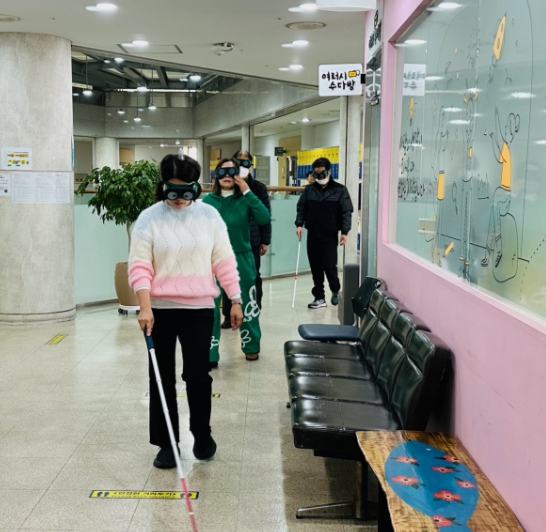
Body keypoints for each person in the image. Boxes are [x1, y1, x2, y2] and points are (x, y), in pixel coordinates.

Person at [128, 154, 243, 468]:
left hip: (199, 308)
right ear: (163, 186)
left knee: (197, 375)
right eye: (173, 190)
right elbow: (139, 266)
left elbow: (223, 260)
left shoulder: (209, 216)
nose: (179, 198)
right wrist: (145, 307)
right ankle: (167, 443)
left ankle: (201, 434)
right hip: (159, 310)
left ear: (196, 187)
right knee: (161, 377)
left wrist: (235, 299)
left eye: (186, 191)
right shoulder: (149, 218)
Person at [203, 158, 271, 363]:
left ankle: (251, 346)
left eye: (231, 171)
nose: (226, 176)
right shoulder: (207, 201)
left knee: (248, 304)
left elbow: (264, 218)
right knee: (210, 308)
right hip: (213, 260)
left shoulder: (245, 199)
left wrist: (247, 191)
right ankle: (210, 353)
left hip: (241, 257)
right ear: (215, 176)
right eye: (221, 172)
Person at [220, 150, 271, 329]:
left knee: (252, 276)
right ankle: (228, 315)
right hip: (230, 241)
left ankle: (252, 310)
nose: (242, 167)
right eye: (239, 163)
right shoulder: (227, 186)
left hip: (252, 240)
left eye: (245, 163)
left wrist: (265, 240)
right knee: (228, 278)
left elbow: (265, 215)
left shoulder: (258, 188)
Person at [295, 157, 353, 309]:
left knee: (329, 266)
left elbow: (347, 212)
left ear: (329, 172)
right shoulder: (309, 190)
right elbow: (301, 208)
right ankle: (319, 297)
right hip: (313, 233)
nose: (319, 177)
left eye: (322, 174)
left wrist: (345, 232)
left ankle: (335, 289)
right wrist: (299, 224)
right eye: (316, 174)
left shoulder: (340, 190)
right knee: (315, 267)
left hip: (330, 234)